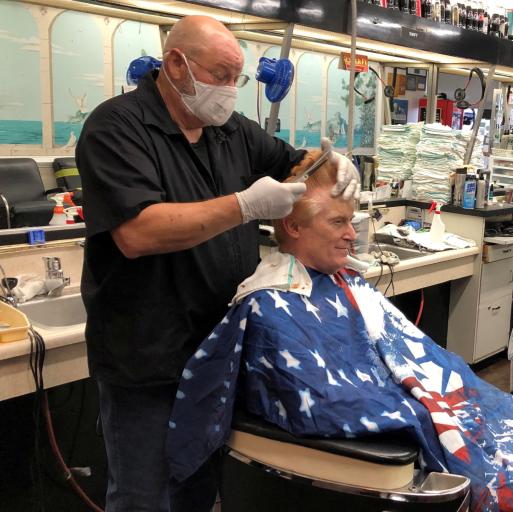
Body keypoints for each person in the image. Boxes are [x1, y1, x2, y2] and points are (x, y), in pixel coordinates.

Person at [166, 151, 513, 512]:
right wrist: (419, 408)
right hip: (380, 440)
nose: (351, 237)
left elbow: (410, 354)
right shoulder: (267, 306)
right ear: (293, 226)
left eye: (351, 222)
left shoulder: (340, 282)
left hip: (437, 399)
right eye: (337, 223)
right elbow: (315, 401)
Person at [75, 15, 360, 512]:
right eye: (221, 76)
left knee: (198, 491)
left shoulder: (230, 130)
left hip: (218, 354)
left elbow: (298, 163)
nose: (230, 90)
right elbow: (138, 232)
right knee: (147, 497)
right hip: (148, 361)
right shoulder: (116, 127)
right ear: (176, 64)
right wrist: (244, 206)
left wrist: (332, 165)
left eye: (238, 78)